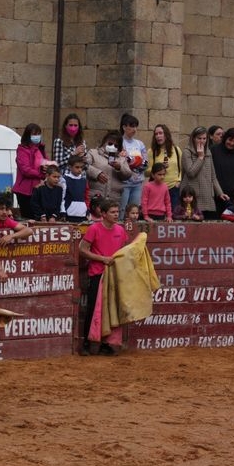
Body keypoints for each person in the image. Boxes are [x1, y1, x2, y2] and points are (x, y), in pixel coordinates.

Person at [78, 199, 128, 356]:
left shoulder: (120, 230)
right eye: (112, 212)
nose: (116, 215)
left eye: (117, 212)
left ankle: (106, 343)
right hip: (97, 273)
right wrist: (102, 259)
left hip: (114, 275)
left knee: (112, 309)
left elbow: (124, 252)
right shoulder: (94, 228)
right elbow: (82, 250)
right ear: (103, 214)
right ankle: (86, 343)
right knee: (94, 309)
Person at [0, 194, 34, 281]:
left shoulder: (7, 220)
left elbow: (29, 231)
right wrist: (0, 270)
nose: (4, 212)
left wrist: (11, 236)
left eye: (6, 209)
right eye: (1, 209)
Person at [181, 126, 227, 220]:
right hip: (193, 196)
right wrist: (200, 157)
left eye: (204, 138)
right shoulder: (187, 152)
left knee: (209, 224)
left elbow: (213, 176)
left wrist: (220, 193)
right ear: (193, 138)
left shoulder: (208, 152)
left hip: (207, 196)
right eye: (199, 138)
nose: (202, 141)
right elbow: (190, 173)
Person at [86, 131, 133, 203]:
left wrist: (119, 167)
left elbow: (128, 175)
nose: (112, 147)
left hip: (113, 199)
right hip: (95, 197)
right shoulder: (93, 153)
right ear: (104, 142)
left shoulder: (121, 159)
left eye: (116, 146)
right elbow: (84, 165)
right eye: (110, 144)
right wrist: (97, 173)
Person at [210, 127, 234, 215]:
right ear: (225, 138)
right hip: (215, 194)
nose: (231, 143)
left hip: (233, 197)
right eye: (230, 140)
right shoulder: (214, 150)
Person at [13, 123, 47, 219]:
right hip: (25, 191)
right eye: (34, 134)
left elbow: (46, 162)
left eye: (39, 133)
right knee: (28, 218)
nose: (37, 136)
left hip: (39, 189)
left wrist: (47, 168)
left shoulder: (40, 149)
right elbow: (26, 170)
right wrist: (40, 174)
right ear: (28, 135)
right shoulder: (22, 150)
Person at [118, 113, 147, 219]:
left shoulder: (140, 144)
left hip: (137, 183)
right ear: (124, 127)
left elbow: (145, 163)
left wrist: (132, 161)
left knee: (134, 212)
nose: (134, 129)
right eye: (131, 126)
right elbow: (121, 162)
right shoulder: (119, 142)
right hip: (124, 183)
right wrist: (135, 161)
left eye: (136, 126)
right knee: (122, 210)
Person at [146, 124, 182, 209]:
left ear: (166, 135)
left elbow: (182, 168)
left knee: (173, 213)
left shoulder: (176, 149)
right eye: (156, 134)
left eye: (160, 133)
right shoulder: (151, 151)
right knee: (158, 213)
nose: (158, 136)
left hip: (174, 188)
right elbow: (146, 172)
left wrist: (179, 181)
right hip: (158, 188)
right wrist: (158, 168)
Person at [61, 156, 88, 222]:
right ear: (70, 167)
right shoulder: (64, 180)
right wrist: (63, 212)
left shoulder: (84, 181)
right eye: (77, 167)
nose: (80, 170)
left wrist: (87, 210)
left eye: (81, 167)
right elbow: (62, 198)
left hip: (82, 214)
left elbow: (86, 197)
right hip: (69, 214)